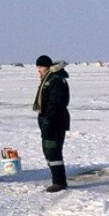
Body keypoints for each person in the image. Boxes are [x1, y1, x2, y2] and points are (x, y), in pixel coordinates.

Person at [33, 55, 71, 192]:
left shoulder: (55, 79)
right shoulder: (48, 78)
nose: (39, 71)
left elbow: (57, 102)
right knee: (48, 150)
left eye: (40, 68)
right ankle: (57, 179)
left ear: (46, 67)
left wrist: (49, 118)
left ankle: (59, 182)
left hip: (55, 121)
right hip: (47, 119)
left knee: (53, 151)